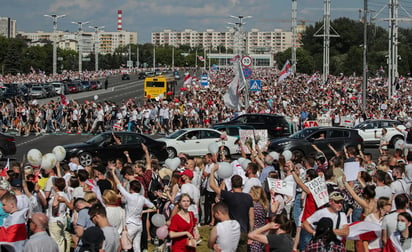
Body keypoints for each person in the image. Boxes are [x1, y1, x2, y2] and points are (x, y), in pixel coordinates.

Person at [109, 162, 155, 252]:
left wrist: (113, 173)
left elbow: (118, 185)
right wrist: (143, 212)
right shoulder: (142, 198)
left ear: (130, 189)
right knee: (137, 247)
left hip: (130, 224)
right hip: (139, 225)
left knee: (125, 246)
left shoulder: (129, 196)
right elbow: (154, 207)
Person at [209, 163, 254, 252]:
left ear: (231, 184)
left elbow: (212, 185)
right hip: (244, 231)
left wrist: (212, 171)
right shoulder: (248, 197)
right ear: (242, 184)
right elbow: (251, 217)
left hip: (231, 231)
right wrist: (251, 232)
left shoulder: (229, 196)